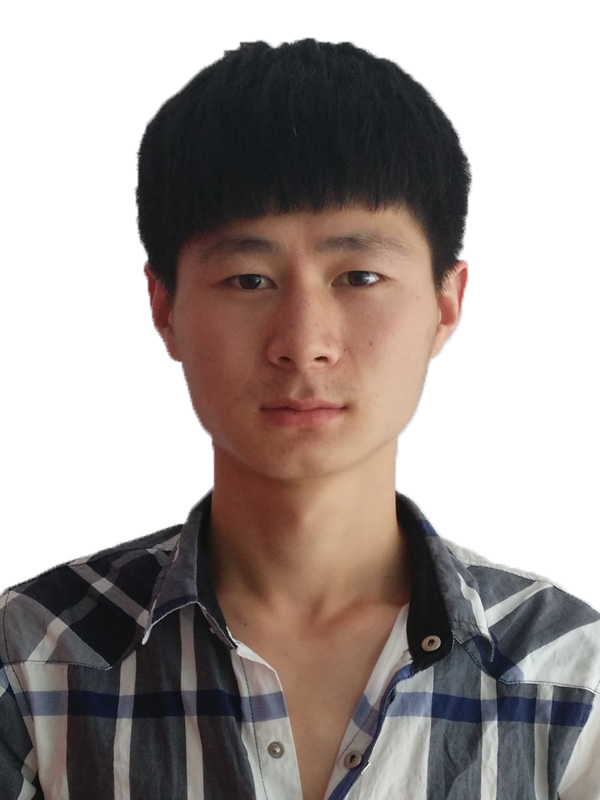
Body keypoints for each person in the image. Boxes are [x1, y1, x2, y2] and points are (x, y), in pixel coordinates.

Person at [1, 38, 599, 800]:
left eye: (360, 276)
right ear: (164, 307)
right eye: (249, 279)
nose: (304, 342)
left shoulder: (569, 682)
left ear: (447, 303)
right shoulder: (33, 665)